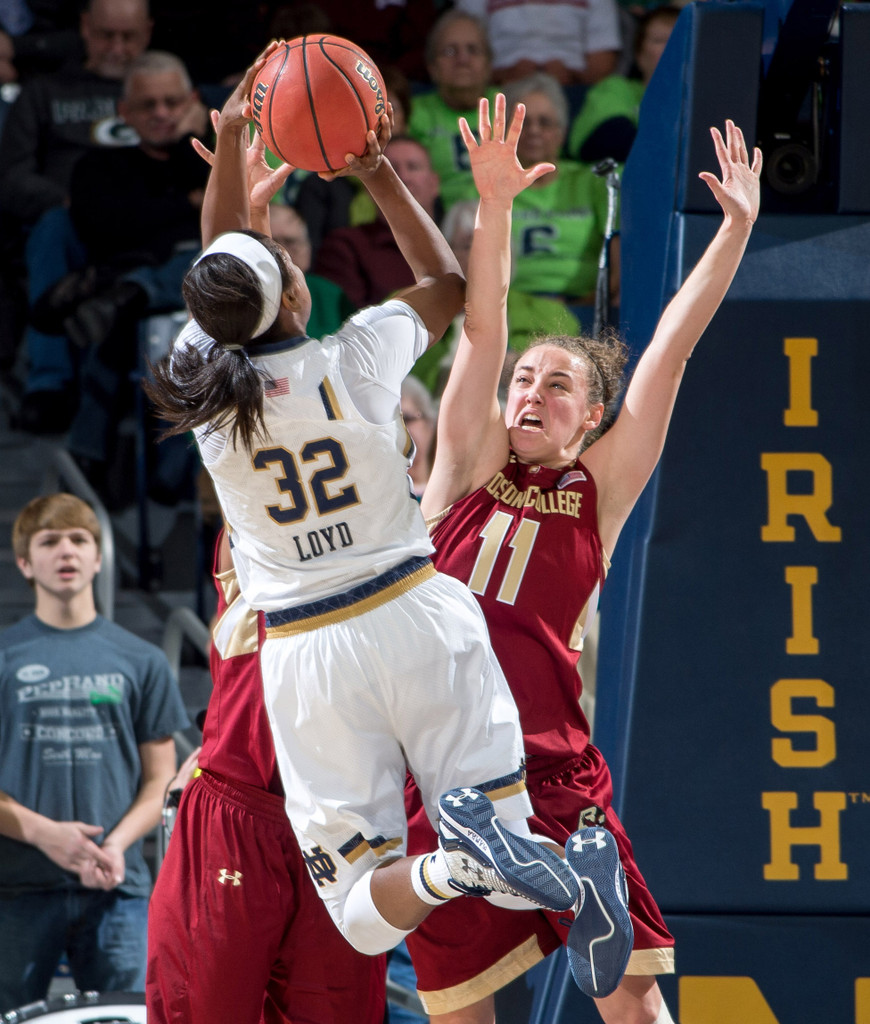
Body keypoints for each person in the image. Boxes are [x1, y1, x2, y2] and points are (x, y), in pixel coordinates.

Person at [145, 45, 581, 971]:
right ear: (299, 290)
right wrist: (375, 169)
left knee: (359, 910)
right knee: (512, 850)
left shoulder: (206, 398)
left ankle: (452, 868)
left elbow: (223, 275)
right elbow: (451, 288)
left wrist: (228, 155)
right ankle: (499, 852)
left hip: (310, 651)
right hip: (419, 608)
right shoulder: (357, 358)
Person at [404, 108, 762, 1023]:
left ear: (591, 417)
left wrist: (736, 232)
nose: (531, 391)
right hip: (443, 769)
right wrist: (493, 209)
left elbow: (670, 359)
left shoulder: (594, 495)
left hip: (549, 766)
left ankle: (578, 890)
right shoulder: (464, 470)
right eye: (527, 380)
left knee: (633, 1001)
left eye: (557, 385)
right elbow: (482, 332)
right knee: (461, 1009)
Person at [147, 530, 388, 1023]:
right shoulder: (256, 540)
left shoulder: (390, 549)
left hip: (344, 819)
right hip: (240, 812)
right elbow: (236, 468)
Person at [0, 492, 190, 1012]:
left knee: (133, 1015)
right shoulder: (3, 656)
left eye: (80, 540)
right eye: (50, 541)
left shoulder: (142, 659)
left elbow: (161, 780)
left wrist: (116, 845)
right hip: (16, 886)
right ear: (24, 562)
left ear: (99, 557)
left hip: (116, 887)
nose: (67, 551)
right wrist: (48, 835)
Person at [24, 49, 209, 458]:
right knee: (58, 226)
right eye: (148, 105)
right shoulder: (99, 165)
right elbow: (109, 228)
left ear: (193, 101)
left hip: (175, 293)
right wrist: (186, 204)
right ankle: (55, 385)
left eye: (172, 103)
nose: (161, 113)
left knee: (201, 256)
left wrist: (185, 145)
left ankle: (127, 292)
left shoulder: (212, 160)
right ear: (123, 112)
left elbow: (219, 223)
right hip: (119, 282)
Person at [1, 0, 153, 432]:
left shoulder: (160, 92)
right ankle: (48, 385)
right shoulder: (45, 93)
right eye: (106, 34)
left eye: (129, 37)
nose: (117, 47)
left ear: (148, 32)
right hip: (69, 226)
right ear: (85, 28)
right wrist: (70, 201)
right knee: (52, 227)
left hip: (144, 226)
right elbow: (11, 178)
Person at [501, 72, 612, 307]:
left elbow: (619, 264)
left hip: (582, 308)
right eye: (523, 123)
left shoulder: (593, 182)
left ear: (561, 132)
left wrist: (586, 305)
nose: (534, 130)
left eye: (545, 122)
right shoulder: (489, 188)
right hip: (509, 312)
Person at [313, 134, 442, 310]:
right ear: (370, 187)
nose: (403, 177)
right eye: (393, 169)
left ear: (434, 184)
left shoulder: (460, 242)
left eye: (413, 167)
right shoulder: (346, 246)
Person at [567, 4, 681, 165]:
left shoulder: (706, 101)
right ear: (639, 55)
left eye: (679, 40)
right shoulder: (616, 89)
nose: (670, 48)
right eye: (659, 40)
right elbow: (606, 142)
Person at [407, 9, 496, 211]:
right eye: (449, 51)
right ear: (432, 67)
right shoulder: (413, 113)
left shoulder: (511, 106)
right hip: (434, 219)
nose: (462, 59)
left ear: (489, 65)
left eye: (473, 50)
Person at [454, 0, 623, 86]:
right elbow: (463, 48)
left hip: (574, 92)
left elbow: (603, 63)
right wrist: (504, 75)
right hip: (497, 90)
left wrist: (571, 76)